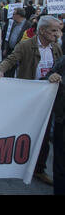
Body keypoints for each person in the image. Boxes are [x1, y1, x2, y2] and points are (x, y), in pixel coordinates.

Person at [0, 15, 63, 186]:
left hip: (49, 99)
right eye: (54, 30)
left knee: (44, 135)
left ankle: (39, 169)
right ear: (42, 31)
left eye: (59, 30)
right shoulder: (26, 45)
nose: (58, 34)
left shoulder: (56, 48)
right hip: (29, 98)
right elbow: (10, 60)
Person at [47, 56, 65, 195]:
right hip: (61, 119)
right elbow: (49, 76)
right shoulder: (63, 60)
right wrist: (51, 76)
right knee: (60, 166)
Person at [1, 7, 31, 77]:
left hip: (20, 52)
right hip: (10, 51)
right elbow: (7, 36)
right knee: (8, 71)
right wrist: (5, 48)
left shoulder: (28, 25)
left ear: (19, 15)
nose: (12, 16)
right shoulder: (12, 23)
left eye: (13, 14)